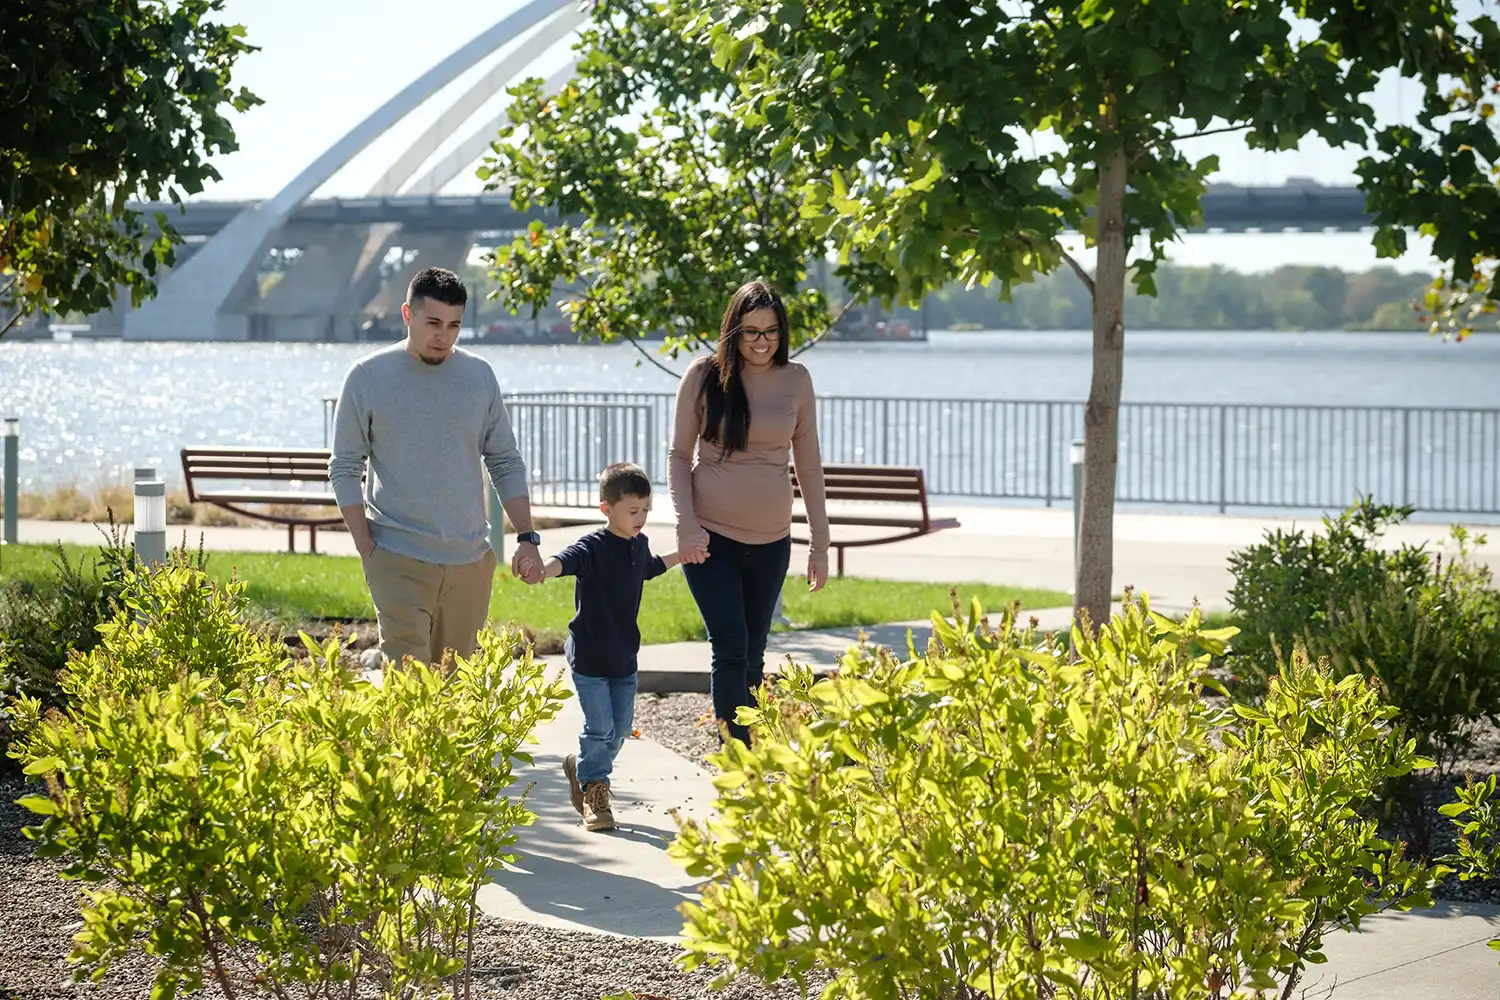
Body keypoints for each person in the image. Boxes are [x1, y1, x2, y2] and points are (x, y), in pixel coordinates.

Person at [329, 266, 544, 667]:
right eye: (433, 323)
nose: (443, 336)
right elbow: (344, 467)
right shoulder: (367, 377)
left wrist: (527, 537)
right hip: (397, 556)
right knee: (409, 694)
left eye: (454, 325)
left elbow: (504, 459)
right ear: (407, 315)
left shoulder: (479, 376)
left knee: (457, 690)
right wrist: (366, 546)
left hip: (469, 562)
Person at [668, 280, 830, 746]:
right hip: (710, 538)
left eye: (771, 332)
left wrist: (819, 542)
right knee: (731, 646)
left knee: (755, 653)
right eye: (751, 332)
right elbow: (679, 457)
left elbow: (809, 463)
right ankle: (735, 753)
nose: (762, 342)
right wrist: (687, 526)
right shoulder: (704, 375)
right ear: (733, 332)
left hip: (772, 540)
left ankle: (750, 749)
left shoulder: (797, 380)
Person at [538, 462, 681, 832]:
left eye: (646, 510)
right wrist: (543, 569)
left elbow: (647, 568)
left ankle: (582, 766)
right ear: (607, 509)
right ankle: (595, 791)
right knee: (599, 728)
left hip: (624, 658)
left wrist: (681, 556)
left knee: (618, 732)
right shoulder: (594, 546)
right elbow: (566, 560)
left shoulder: (639, 545)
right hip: (589, 657)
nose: (641, 518)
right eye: (633, 511)